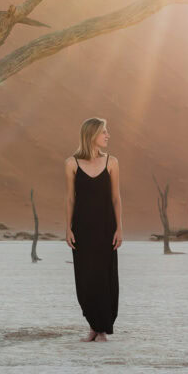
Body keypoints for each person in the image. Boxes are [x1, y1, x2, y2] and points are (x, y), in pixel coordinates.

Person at [65, 117, 122, 342]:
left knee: (105, 278)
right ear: (92, 135)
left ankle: (102, 329)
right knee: (85, 279)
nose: (108, 135)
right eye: (104, 132)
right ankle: (93, 326)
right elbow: (70, 198)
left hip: (106, 228)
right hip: (82, 229)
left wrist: (119, 228)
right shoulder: (71, 163)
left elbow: (116, 198)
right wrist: (68, 229)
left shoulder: (112, 162)